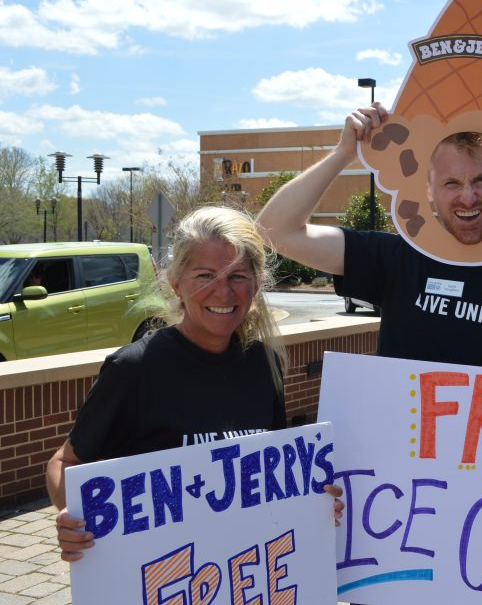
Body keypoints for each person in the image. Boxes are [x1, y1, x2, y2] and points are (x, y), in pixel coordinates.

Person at [46, 206, 343, 562]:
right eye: (205, 275)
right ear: (175, 282)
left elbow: (271, 482)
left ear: (257, 283)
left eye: (237, 276)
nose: (223, 292)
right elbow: (66, 461)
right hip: (163, 577)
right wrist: (71, 515)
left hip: (243, 575)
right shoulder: (135, 368)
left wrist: (312, 507)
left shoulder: (264, 364)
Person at [257, 103, 482, 385]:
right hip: (399, 448)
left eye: (480, 180)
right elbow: (274, 230)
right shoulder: (396, 261)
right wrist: (345, 153)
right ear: (429, 190)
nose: (468, 197)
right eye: (451, 183)